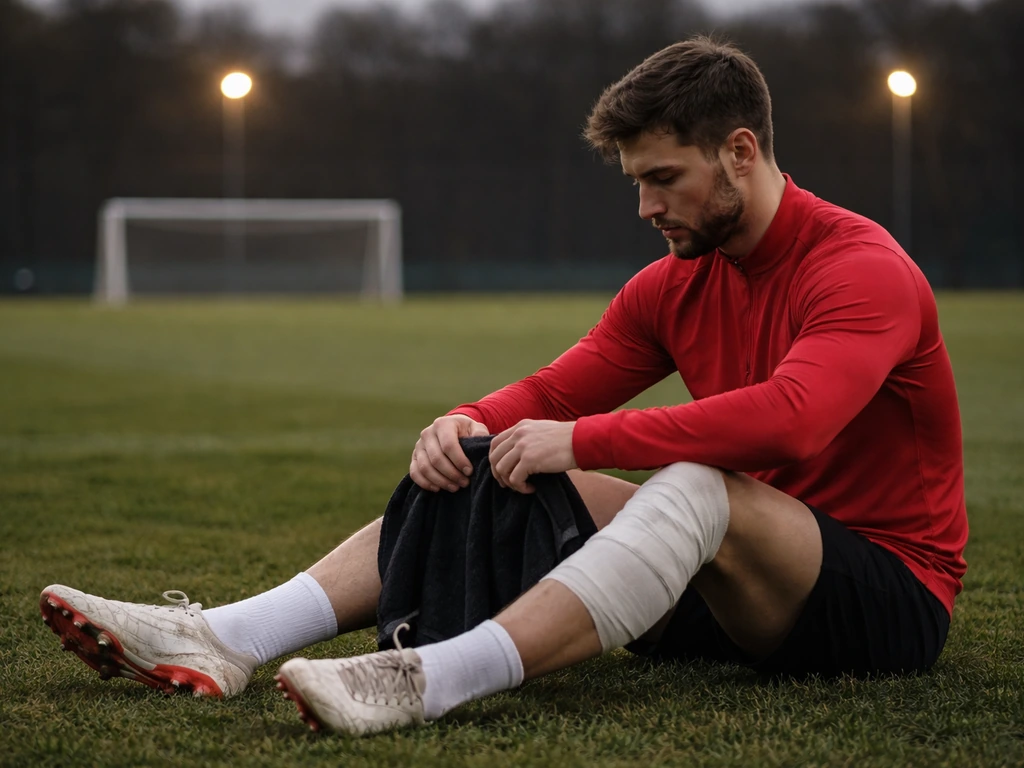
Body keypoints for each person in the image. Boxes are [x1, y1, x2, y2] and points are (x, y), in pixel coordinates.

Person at [40, 36, 967, 736]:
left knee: (696, 484)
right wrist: (467, 423)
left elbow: (795, 423)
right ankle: (228, 637)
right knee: (492, 461)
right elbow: (560, 387)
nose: (645, 207)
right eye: (635, 183)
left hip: (882, 598)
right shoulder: (675, 281)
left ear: (739, 151)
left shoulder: (860, 267)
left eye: (663, 179)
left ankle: (429, 679)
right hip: (731, 590)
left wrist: (585, 440)